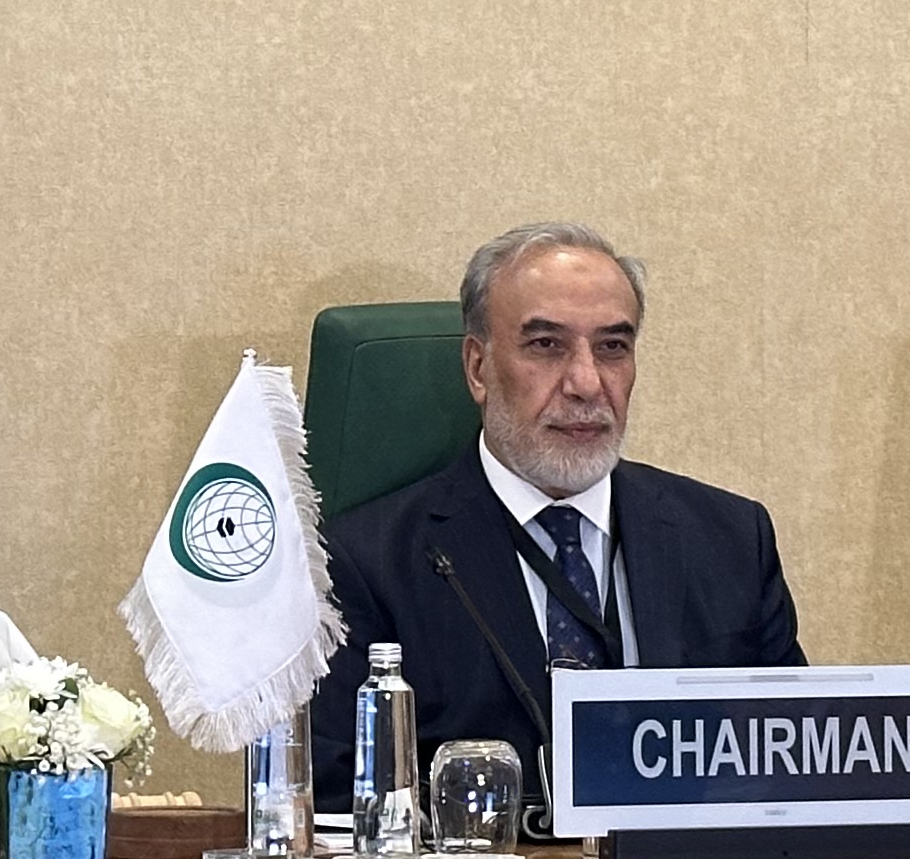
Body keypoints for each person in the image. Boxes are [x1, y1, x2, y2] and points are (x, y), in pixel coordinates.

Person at [307, 223, 803, 821]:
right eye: (547, 345)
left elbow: (792, 769)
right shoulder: (364, 563)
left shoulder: (730, 540)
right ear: (478, 368)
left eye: (612, 347)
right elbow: (338, 801)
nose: (587, 383)